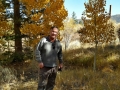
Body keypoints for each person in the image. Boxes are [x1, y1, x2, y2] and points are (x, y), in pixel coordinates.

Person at [35, 26, 63, 90]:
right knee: (42, 85)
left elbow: (60, 53)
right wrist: (39, 61)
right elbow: (37, 50)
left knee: (51, 84)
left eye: (56, 32)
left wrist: (61, 62)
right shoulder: (44, 40)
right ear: (50, 32)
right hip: (44, 67)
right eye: (53, 31)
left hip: (54, 67)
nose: (54, 33)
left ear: (57, 33)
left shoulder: (58, 42)